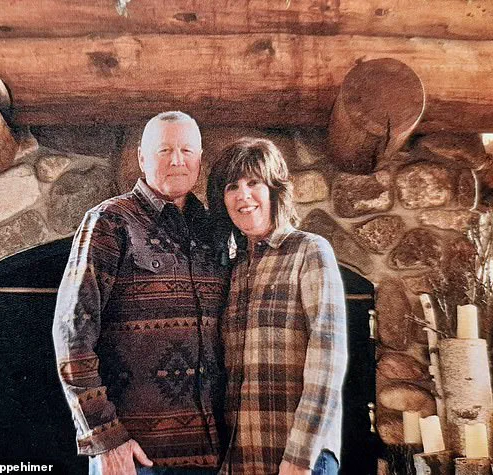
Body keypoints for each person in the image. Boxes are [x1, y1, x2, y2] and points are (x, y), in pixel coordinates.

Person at [52, 111, 229, 475]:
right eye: (164, 150)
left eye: (186, 150)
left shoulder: (215, 231)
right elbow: (72, 332)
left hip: (211, 453)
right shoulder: (109, 221)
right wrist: (105, 436)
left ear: (199, 159)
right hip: (134, 456)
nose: (177, 160)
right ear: (142, 158)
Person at [206, 137, 347, 475]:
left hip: (299, 458)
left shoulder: (310, 251)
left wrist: (300, 457)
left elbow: (327, 362)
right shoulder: (234, 268)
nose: (243, 195)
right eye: (232, 187)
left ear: (275, 190)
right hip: (241, 458)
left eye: (254, 182)